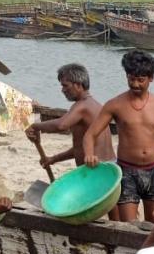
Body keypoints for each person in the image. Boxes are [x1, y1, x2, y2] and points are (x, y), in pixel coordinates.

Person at [83, 50, 154, 223]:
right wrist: (89, 154)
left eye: (140, 80)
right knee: (128, 226)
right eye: (131, 78)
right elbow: (90, 135)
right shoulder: (115, 104)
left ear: (151, 78)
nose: (135, 84)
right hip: (127, 171)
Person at [25, 64, 118, 220]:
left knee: (94, 213)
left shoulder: (82, 106)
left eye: (65, 85)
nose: (62, 90)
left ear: (78, 85)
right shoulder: (94, 105)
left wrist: (36, 126)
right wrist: (53, 159)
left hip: (95, 169)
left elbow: (62, 125)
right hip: (107, 166)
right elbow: (79, 147)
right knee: (112, 210)